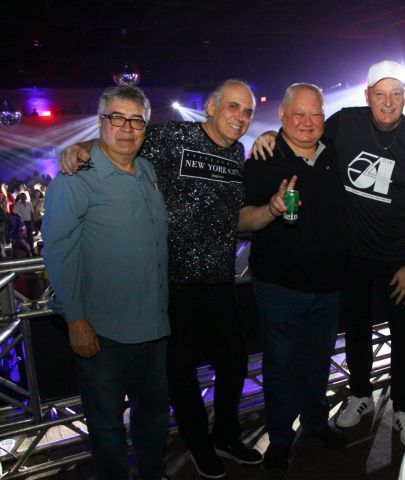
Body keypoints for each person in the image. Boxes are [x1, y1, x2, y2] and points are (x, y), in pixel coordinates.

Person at [58, 79, 262, 479]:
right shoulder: (172, 136)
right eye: (233, 107)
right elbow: (122, 138)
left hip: (219, 280)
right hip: (173, 284)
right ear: (210, 107)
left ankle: (225, 435)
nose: (241, 117)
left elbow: (235, 216)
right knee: (180, 377)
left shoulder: (238, 153)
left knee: (234, 364)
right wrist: (81, 147)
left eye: (248, 111)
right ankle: (198, 446)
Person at [253, 61, 405, 446]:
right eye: (379, 93)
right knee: (355, 332)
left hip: (398, 260)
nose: (387, 102)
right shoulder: (345, 123)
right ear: (367, 95)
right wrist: (270, 134)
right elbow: (302, 132)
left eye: (395, 94)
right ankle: (360, 395)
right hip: (351, 257)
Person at [43, 85, 169, 480]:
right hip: (103, 332)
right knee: (107, 427)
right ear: (100, 123)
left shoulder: (147, 171)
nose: (127, 128)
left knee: (153, 417)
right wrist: (76, 320)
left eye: (136, 120)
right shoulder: (75, 179)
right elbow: (58, 253)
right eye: (117, 118)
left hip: (153, 327)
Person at [238, 83, 350, 470]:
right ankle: (281, 438)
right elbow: (241, 219)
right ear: (282, 116)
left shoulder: (334, 152)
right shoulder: (263, 157)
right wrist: (271, 209)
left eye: (315, 113)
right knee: (281, 366)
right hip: (280, 287)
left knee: (319, 361)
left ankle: (316, 423)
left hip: (329, 285)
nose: (307, 121)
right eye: (298, 114)